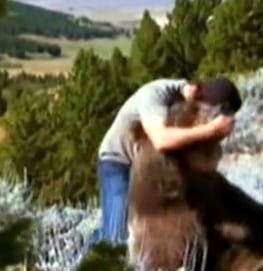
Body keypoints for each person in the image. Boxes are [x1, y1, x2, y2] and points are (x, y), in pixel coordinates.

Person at [94, 76, 243, 244]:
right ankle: (86, 261)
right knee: (116, 234)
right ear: (200, 99)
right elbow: (161, 139)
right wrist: (212, 129)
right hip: (119, 160)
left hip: (147, 168)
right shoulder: (156, 95)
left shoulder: (184, 103)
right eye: (212, 113)